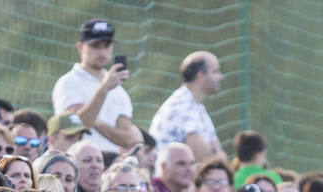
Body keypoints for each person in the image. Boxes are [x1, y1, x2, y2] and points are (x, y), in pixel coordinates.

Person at [51, 18, 139, 153]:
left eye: (107, 45)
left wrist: (96, 122)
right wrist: (104, 89)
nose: (102, 52)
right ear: (80, 47)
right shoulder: (68, 83)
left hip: (110, 162)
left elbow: (127, 139)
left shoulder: (118, 90)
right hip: (77, 160)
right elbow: (73, 129)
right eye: (95, 45)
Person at [149, 51, 225, 161]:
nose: (220, 77)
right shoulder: (182, 107)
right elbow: (204, 158)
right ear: (200, 76)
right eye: (215, 72)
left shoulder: (196, 106)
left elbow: (216, 150)